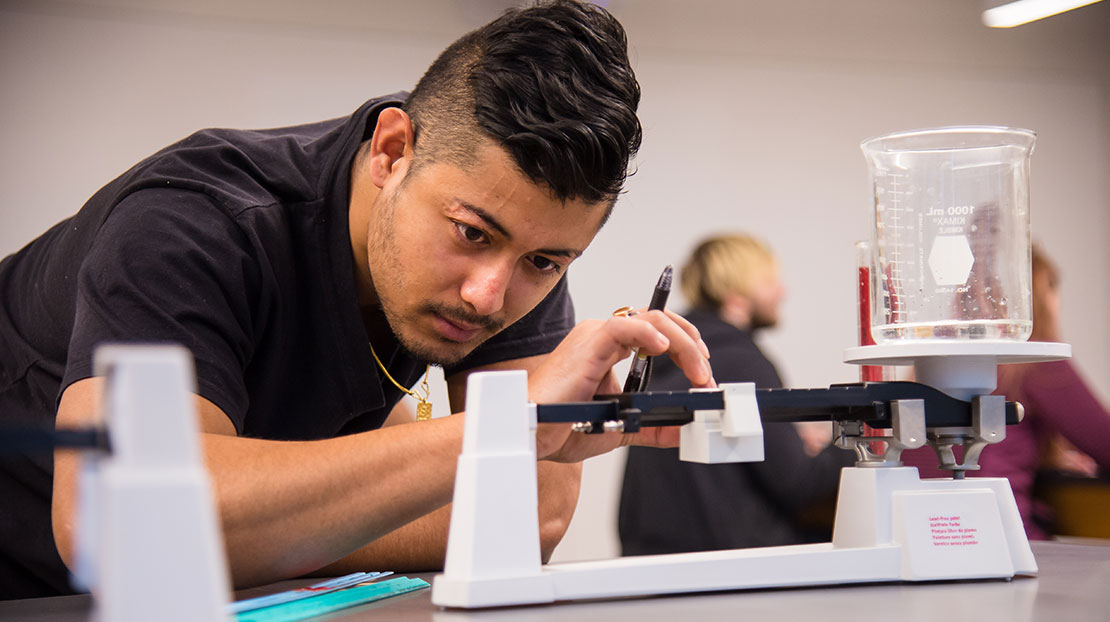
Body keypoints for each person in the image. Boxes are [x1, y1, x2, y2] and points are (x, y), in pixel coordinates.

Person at [0, 1, 715, 599]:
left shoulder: (512, 250)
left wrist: (253, 528)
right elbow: (120, 517)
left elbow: (533, 512)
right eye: (469, 233)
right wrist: (493, 439)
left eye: (547, 261)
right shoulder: (197, 222)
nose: (489, 294)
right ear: (392, 150)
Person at [618, 234, 854, 555]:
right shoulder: (741, 362)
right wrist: (858, 439)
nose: (782, 291)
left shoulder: (665, 362)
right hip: (732, 572)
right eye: (769, 280)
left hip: (656, 565)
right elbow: (801, 485)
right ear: (737, 296)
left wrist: (791, 440)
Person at [901, 244, 1110, 539]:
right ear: (1034, 298)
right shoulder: (1033, 362)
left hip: (929, 539)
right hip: (998, 541)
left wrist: (1049, 453)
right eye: (1052, 289)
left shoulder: (931, 365)